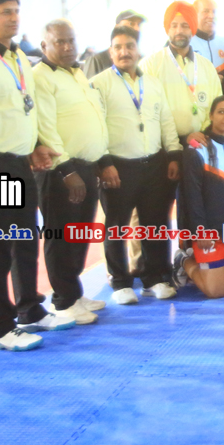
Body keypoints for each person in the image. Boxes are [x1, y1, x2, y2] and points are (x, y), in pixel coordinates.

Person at [0, 0, 72, 349]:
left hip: (20, 161)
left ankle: (30, 309)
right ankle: (0, 327)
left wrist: (36, 145)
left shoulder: (19, 56)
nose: (14, 18)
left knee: (25, 240)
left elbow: (27, 107)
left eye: (16, 10)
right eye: (5, 12)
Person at [92, 26, 183, 304]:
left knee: (155, 223)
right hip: (118, 166)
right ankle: (120, 282)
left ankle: (154, 278)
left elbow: (165, 121)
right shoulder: (98, 84)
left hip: (154, 163)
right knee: (116, 226)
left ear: (138, 50)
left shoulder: (152, 83)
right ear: (111, 52)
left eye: (130, 46)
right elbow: (96, 127)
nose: (124, 52)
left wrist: (174, 154)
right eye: (118, 47)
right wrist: (104, 163)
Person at [33, 19, 108, 324]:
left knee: (80, 233)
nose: (67, 47)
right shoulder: (41, 77)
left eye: (71, 41)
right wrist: (65, 170)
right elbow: (45, 126)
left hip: (86, 165)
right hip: (60, 170)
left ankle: (74, 293)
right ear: (44, 46)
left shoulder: (77, 73)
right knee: (61, 235)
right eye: (59, 42)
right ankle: (63, 301)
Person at [140, 1, 221, 242]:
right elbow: (148, 113)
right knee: (155, 212)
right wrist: (181, 139)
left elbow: (216, 107)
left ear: (193, 28)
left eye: (185, 25)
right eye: (174, 25)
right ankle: (152, 262)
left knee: (194, 208)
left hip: (199, 149)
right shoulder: (151, 64)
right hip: (162, 152)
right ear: (167, 29)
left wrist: (201, 135)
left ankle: (190, 255)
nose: (179, 30)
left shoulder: (206, 66)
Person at [179, 96, 224, 298]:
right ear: (210, 115)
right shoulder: (196, 148)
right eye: (221, 112)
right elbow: (191, 194)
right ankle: (183, 261)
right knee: (216, 292)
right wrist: (200, 230)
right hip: (210, 229)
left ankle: (215, 269)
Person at [84, 10, 146, 78]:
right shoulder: (97, 60)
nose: (137, 29)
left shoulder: (143, 61)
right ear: (117, 26)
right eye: (131, 24)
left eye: (138, 25)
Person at [190, 0, 224, 78]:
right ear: (194, 15)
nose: (211, 16)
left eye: (214, 12)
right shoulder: (185, 44)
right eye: (206, 11)